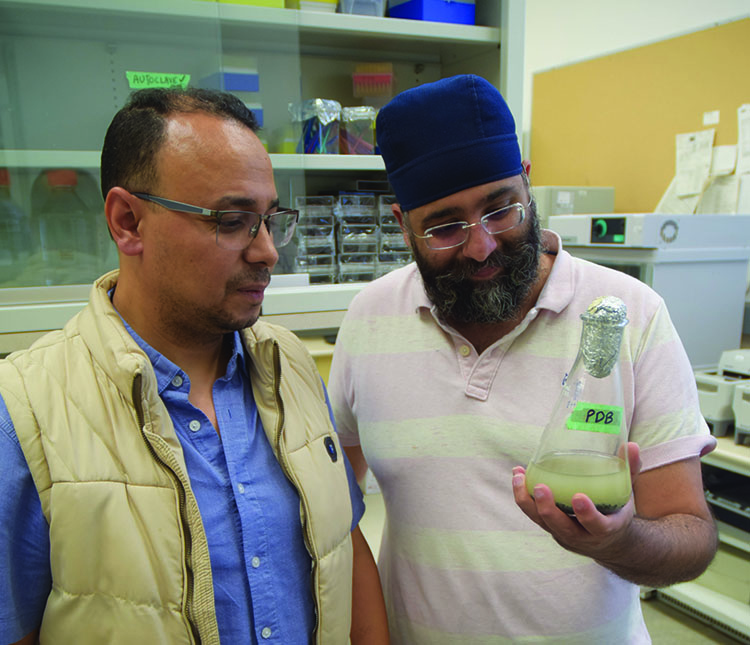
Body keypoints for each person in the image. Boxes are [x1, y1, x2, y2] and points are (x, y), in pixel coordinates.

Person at [328, 74, 717, 644]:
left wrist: (619, 540)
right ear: (401, 225)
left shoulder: (628, 313)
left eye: (500, 209)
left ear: (528, 184)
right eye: (444, 227)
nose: (481, 244)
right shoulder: (369, 318)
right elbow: (338, 506)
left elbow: (692, 536)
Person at [0, 88, 389, 645]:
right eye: (232, 221)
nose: (268, 252)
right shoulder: (25, 411)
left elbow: (342, 549)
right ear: (127, 221)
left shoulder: (292, 364)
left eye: (270, 219)